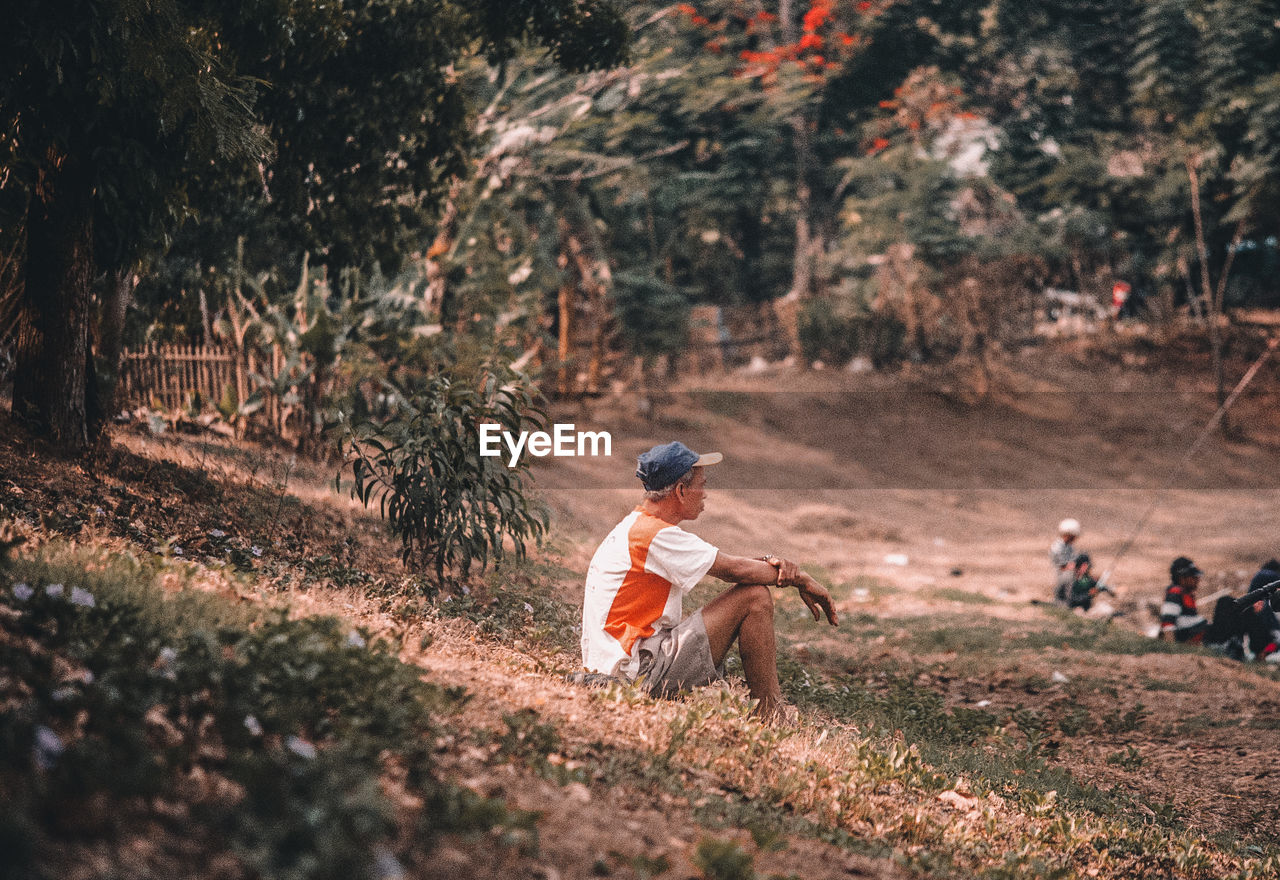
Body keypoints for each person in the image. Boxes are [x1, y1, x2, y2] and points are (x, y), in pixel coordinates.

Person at [579, 440, 838, 720]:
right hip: (636, 672)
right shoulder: (656, 535)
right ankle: (769, 713)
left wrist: (772, 565)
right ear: (680, 490)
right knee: (754, 597)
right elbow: (735, 570)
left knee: (751, 590)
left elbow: (730, 564)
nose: (706, 494)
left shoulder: (640, 526)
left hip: (623, 663)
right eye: (702, 484)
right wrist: (801, 579)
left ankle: (768, 710)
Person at [1204, 559, 1280, 662]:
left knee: (1229, 604)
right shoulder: (1268, 583)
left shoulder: (1266, 576)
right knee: (1228, 603)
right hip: (1260, 642)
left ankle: (1225, 644)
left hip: (1266, 644)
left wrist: (1266, 651)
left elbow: (1275, 638)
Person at [1158, 556, 1209, 643]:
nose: (1198, 579)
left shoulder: (1185, 594)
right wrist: (1172, 649)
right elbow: (1168, 625)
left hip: (1201, 633)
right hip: (1195, 637)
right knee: (1225, 602)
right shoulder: (1174, 593)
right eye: (1193, 577)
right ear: (1182, 578)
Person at [1050, 518, 1081, 604]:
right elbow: (1062, 566)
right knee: (1069, 575)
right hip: (1062, 575)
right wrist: (1074, 567)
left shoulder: (1069, 546)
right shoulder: (1058, 547)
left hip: (1066, 573)